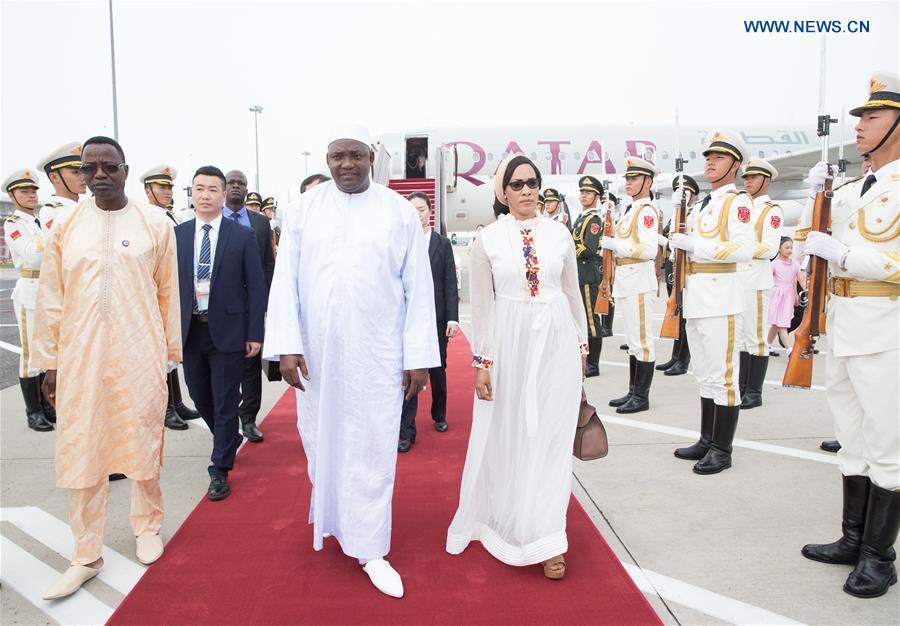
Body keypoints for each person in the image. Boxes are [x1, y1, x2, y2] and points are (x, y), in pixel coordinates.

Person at [264, 125, 438, 598]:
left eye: (355, 156)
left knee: (372, 444)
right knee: (321, 438)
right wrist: (286, 345)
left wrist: (418, 357)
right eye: (337, 156)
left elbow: (419, 290)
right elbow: (286, 284)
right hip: (318, 355)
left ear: (371, 160)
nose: (346, 164)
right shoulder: (303, 210)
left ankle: (371, 546)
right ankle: (332, 520)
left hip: (377, 355)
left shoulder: (398, 212)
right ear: (326, 158)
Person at [32, 136, 180, 599]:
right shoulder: (65, 223)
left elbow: (167, 293)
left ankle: (147, 526)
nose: (98, 174)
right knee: (82, 448)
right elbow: (51, 298)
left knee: (141, 437)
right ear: (79, 173)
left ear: (124, 170)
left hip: (140, 352)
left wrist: (168, 356)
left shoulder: (155, 222)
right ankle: (86, 553)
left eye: (108, 166)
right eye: (89, 167)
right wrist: (48, 365)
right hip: (80, 356)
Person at [446, 154, 587, 580]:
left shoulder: (560, 234)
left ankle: (547, 536)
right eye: (518, 183)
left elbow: (573, 293)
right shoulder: (486, 240)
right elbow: (483, 309)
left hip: (556, 342)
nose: (528, 190)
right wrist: (483, 364)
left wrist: (582, 347)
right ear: (503, 192)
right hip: (508, 346)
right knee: (509, 435)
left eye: (533, 182)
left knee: (550, 438)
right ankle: (508, 519)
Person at [798, 72, 900, 599]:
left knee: (887, 445)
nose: (859, 125)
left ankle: (880, 558)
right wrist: (813, 202)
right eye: (859, 117)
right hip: (842, 325)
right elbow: (804, 243)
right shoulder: (856, 186)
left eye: (873, 116)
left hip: (886, 330)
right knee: (852, 440)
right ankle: (853, 539)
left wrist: (845, 256)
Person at [176, 166, 266, 501]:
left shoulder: (241, 236)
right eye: (199, 188)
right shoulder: (179, 236)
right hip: (191, 331)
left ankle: (220, 469)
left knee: (226, 400)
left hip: (228, 330)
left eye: (212, 189)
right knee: (201, 397)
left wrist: (255, 332)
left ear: (223, 193)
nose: (205, 195)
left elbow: (256, 287)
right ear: (192, 193)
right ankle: (228, 439)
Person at [669, 130, 754, 475]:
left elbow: (745, 249)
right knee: (704, 374)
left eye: (718, 158)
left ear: (735, 165)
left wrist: (695, 246)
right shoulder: (703, 203)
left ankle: (723, 449)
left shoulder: (738, 203)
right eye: (708, 157)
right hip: (698, 297)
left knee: (723, 377)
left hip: (721, 299)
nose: (710, 162)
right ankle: (706, 439)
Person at [399, 192, 460, 452]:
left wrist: (452, 318)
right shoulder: (399, 242)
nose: (417, 214)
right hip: (407, 318)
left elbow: (449, 283)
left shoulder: (441, 243)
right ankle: (406, 429)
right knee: (408, 369)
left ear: (429, 212)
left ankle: (439, 413)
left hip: (435, 317)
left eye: (421, 209)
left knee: (437, 368)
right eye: (412, 209)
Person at [142, 165, 202, 430]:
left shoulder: (169, 215)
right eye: (161, 187)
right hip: (158, 290)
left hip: (174, 288)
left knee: (171, 350)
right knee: (159, 352)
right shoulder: (146, 217)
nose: (167, 191)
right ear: (148, 190)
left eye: (169, 187)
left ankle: (176, 403)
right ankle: (164, 409)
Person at [603, 158, 660, 413]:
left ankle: (642, 397)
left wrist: (617, 246)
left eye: (634, 178)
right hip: (627, 280)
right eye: (627, 178)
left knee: (642, 341)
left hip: (639, 280)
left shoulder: (646, 211)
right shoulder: (630, 209)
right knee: (632, 340)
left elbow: (649, 250)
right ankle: (633, 391)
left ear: (647, 182)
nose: (629, 183)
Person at [223, 171, 276, 442]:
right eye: (231, 183)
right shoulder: (213, 219)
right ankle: (226, 417)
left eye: (240, 184)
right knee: (224, 363)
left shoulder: (259, 223)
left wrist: (266, 299)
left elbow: (268, 262)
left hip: (251, 305)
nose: (235, 187)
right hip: (221, 305)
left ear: (246, 189)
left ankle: (249, 418)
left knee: (251, 362)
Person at [3, 169, 55, 431]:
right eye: (25, 191)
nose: (32, 195)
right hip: (30, 290)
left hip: (47, 288)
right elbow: (32, 257)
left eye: (34, 190)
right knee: (30, 354)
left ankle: (46, 405)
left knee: (46, 351)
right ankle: (32, 411)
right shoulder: (13, 223)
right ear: (12, 195)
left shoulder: (38, 221)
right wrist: (51, 241)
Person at [737, 160, 783, 409]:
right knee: (743, 339)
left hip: (755, 280)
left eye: (754, 178)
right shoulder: (742, 208)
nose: (748, 182)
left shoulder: (771, 210)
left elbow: (770, 248)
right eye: (746, 177)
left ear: (766, 180)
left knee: (756, 338)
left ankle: (754, 392)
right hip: (738, 280)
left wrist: (741, 250)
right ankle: (743, 387)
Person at [657, 174, 700, 376]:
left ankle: (684, 359)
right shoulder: (678, 214)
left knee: (685, 316)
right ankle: (675, 357)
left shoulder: (695, 214)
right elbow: (670, 235)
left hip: (687, 268)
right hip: (674, 266)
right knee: (676, 312)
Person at [572, 175, 604, 376]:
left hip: (588, 274)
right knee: (583, 319)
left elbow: (589, 249)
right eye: (582, 192)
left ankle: (594, 363)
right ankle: (586, 358)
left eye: (588, 192)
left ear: (596, 196)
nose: (584, 195)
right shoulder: (581, 217)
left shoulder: (593, 220)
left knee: (592, 321)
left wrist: (569, 245)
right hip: (580, 274)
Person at [37, 142, 85, 233]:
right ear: (54, 177)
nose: (84, 177)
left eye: (83, 171)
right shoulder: (50, 211)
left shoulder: (83, 206)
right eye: (75, 172)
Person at [767, 237, 803, 354]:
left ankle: (766, 344)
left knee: (777, 323)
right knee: (781, 323)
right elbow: (767, 279)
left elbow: (798, 280)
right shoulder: (774, 264)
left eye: (791, 248)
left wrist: (800, 293)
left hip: (788, 295)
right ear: (779, 249)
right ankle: (789, 349)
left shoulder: (795, 264)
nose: (789, 250)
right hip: (777, 295)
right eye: (787, 248)